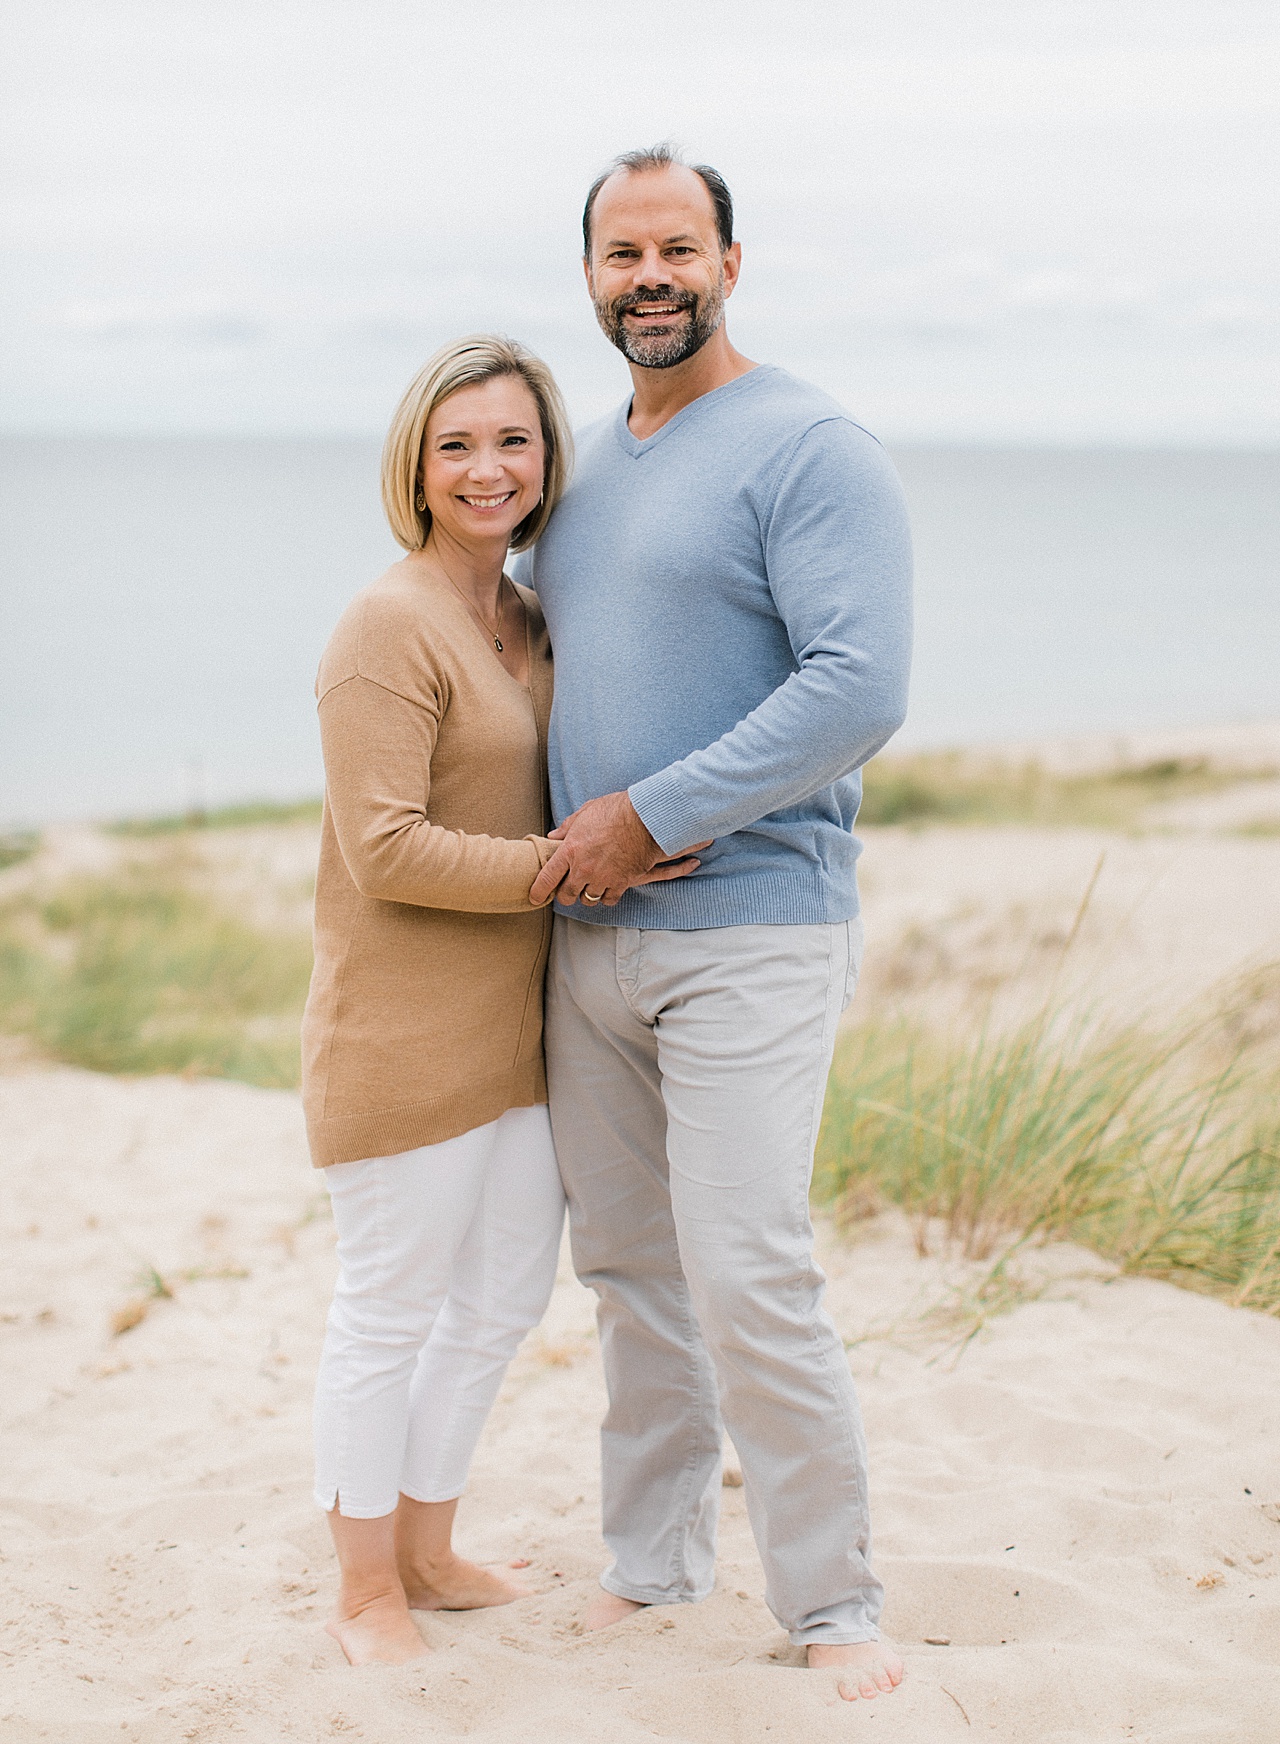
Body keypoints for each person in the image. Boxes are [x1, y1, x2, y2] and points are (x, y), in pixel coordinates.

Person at [517, 146, 913, 1703]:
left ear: (732, 263)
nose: (651, 277)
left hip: (753, 930)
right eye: (623, 255)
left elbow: (858, 689)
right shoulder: (586, 463)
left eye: (678, 247)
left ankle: (833, 1602)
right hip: (588, 952)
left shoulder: (811, 448)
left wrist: (647, 816)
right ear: (595, 277)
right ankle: (655, 1560)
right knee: (628, 1269)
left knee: (747, 1267)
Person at [300, 333, 701, 1666]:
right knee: (389, 1307)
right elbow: (386, 847)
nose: (488, 467)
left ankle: (427, 1544)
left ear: (546, 461)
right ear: (416, 460)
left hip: (515, 1042)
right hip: (399, 1040)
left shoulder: (524, 618)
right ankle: (364, 1589)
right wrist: (571, 866)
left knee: (498, 1301)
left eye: (513, 441)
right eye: (459, 442)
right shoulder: (386, 625)